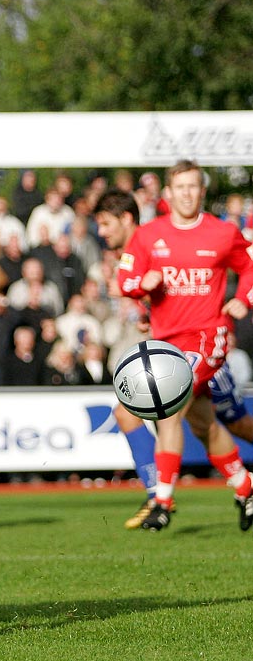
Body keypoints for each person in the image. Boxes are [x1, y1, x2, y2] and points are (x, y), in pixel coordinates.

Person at [116, 160, 253, 531]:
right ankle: (245, 484)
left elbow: (250, 266)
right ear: (168, 193)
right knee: (204, 421)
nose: (187, 194)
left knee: (168, 408)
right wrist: (146, 281)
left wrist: (245, 298)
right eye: (181, 187)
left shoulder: (223, 232)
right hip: (165, 341)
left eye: (194, 187)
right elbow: (125, 281)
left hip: (209, 336)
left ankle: (162, 500)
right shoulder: (148, 235)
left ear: (202, 191)